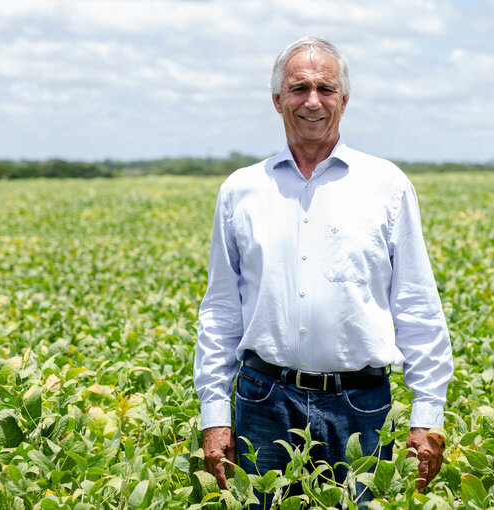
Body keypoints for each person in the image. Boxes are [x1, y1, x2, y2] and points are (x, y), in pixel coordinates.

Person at [193, 36, 453, 506]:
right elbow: (220, 311)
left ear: (344, 101)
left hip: (362, 405)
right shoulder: (241, 191)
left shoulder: (386, 186)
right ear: (277, 100)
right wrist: (215, 415)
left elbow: (417, 305)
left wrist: (426, 415)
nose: (312, 101)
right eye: (298, 88)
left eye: (326, 89)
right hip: (262, 401)